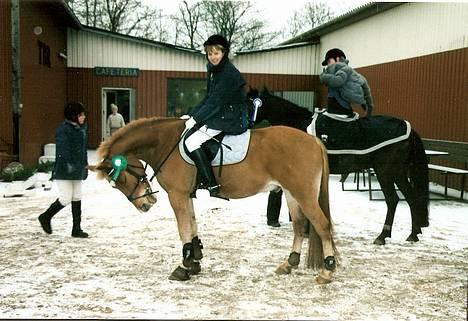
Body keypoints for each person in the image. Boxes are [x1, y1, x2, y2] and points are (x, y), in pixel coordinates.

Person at [184, 34, 248, 198]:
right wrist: (191, 115)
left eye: (216, 53)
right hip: (221, 113)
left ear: (224, 53)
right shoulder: (215, 71)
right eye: (210, 53)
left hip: (231, 117)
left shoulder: (227, 73)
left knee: (192, 142)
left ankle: (210, 183)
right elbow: (208, 98)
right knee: (192, 135)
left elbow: (215, 102)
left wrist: (196, 119)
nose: (213, 57)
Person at [38, 102, 89, 238]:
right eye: (81, 114)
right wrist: (69, 165)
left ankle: (76, 229)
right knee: (66, 198)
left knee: (77, 196)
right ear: (74, 116)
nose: (84, 117)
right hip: (64, 170)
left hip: (77, 169)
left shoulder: (82, 129)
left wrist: (85, 166)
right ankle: (45, 217)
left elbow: (83, 150)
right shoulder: (63, 129)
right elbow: (63, 150)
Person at [319, 48, 374, 117]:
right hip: (336, 109)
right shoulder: (341, 71)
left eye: (329, 61)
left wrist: (323, 76)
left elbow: (337, 81)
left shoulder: (345, 69)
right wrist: (368, 106)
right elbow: (365, 88)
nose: (328, 65)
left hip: (341, 110)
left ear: (338, 59)